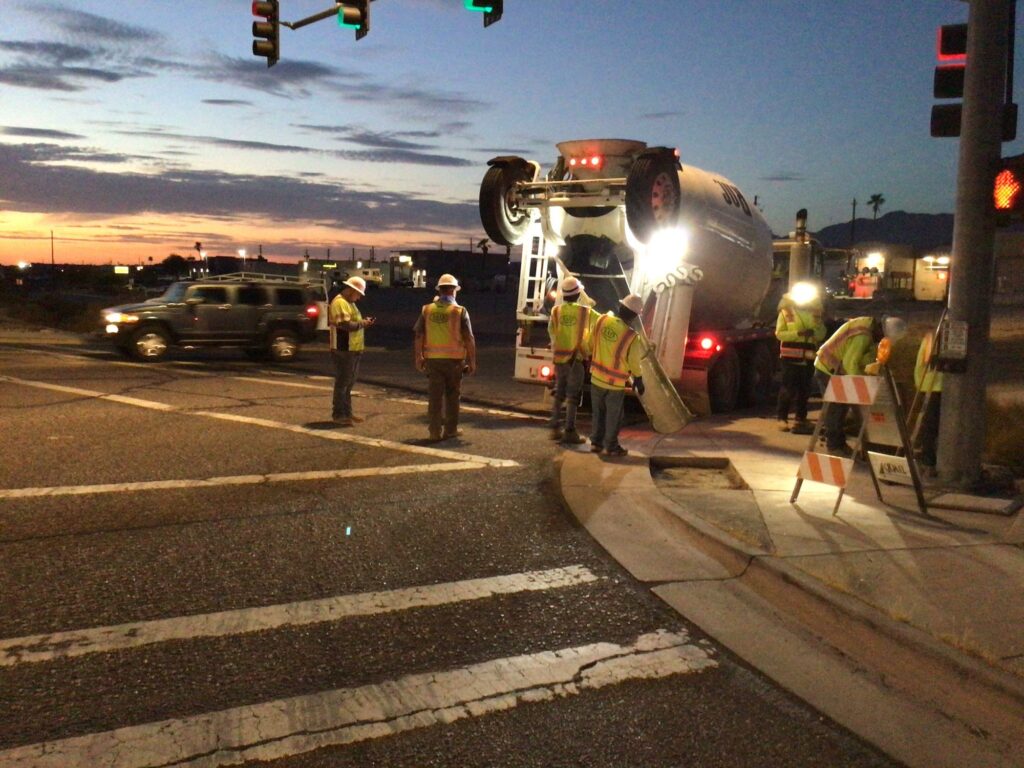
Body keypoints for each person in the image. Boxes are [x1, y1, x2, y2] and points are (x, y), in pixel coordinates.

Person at [813, 315, 906, 455]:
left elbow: (864, 359)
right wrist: (864, 385)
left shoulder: (869, 330)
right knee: (836, 409)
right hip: (828, 368)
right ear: (882, 332)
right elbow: (850, 364)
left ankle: (843, 444)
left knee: (842, 408)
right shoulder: (863, 336)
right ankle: (834, 446)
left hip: (838, 369)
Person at [413, 273, 477, 442]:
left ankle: (434, 431)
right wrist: (472, 361)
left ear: (440, 290)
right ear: (454, 290)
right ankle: (450, 430)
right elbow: (469, 338)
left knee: (435, 397)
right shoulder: (459, 311)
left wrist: (418, 357)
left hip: (433, 361)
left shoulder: (427, 309)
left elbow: (419, 335)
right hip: (454, 361)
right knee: (452, 396)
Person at [584, 294, 645, 458]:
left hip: (596, 377)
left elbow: (590, 343)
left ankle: (596, 443)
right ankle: (611, 446)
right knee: (614, 416)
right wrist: (638, 379)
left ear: (620, 307)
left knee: (598, 412)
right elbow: (633, 363)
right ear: (634, 316)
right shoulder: (632, 336)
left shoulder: (602, 320)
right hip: (615, 384)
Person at [547, 276, 594, 444]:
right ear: (578, 294)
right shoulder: (584, 311)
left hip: (560, 359)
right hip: (576, 358)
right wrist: (587, 352)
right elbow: (591, 332)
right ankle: (569, 431)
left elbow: (552, 333)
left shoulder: (556, 311)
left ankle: (554, 427)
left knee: (560, 392)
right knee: (573, 396)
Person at [774, 285, 827, 434]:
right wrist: (798, 333)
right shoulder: (786, 312)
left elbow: (822, 334)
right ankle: (782, 418)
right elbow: (779, 334)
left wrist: (814, 332)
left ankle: (800, 419)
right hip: (789, 358)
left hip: (808, 358)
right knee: (787, 388)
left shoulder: (816, 313)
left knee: (804, 390)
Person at [329, 276, 374, 427]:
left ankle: (347, 413)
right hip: (343, 349)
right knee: (343, 383)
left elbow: (351, 323)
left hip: (352, 348)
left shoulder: (349, 303)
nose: (359, 297)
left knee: (348, 383)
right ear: (351, 290)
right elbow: (345, 324)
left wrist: (362, 323)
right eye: (358, 294)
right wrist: (363, 323)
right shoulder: (340, 302)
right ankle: (339, 414)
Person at [913, 329, 943, 476]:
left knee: (928, 425)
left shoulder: (930, 337)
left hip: (928, 385)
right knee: (931, 427)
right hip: (934, 385)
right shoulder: (937, 339)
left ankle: (927, 459)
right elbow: (931, 362)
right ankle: (928, 461)